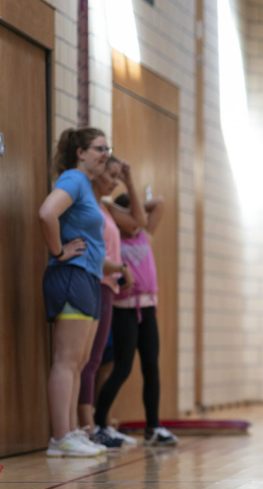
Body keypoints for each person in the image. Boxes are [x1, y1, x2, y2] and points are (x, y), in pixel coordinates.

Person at [38, 127, 110, 457]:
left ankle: (70, 434)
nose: (105, 153)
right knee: (66, 360)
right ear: (80, 153)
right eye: (98, 148)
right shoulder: (73, 178)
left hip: (88, 277)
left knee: (78, 361)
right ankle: (60, 437)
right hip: (71, 274)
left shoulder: (88, 188)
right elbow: (47, 212)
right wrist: (58, 252)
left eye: (107, 148)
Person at [93, 185, 179, 447]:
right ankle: (99, 423)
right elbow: (108, 207)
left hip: (148, 309)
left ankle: (153, 426)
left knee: (151, 367)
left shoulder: (144, 234)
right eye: (128, 217)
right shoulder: (114, 239)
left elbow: (160, 202)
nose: (135, 221)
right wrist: (118, 210)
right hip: (124, 310)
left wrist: (134, 209)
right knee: (123, 367)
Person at [79, 156, 138, 449]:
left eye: (118, 176)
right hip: (97, 282)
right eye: (111, 174)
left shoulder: (104, 207)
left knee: (101, 359)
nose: (114, 181)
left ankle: (97, 424)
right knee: (88, 360)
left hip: (106, 287)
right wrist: (119, 269)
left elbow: (139, 222)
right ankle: (88, 427)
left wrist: (129, 181)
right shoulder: (89, 206)